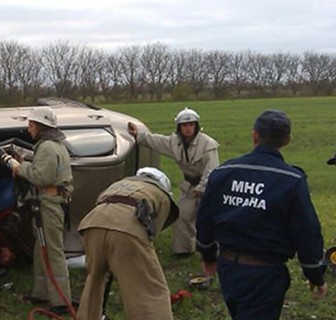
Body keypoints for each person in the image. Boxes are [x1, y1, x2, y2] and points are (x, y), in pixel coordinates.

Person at [196, 109, 328, 320]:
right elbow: (307, 231)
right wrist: (314, 273)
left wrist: (207, 255)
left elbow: (204, 218)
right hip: (266, 275)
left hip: (229, 269)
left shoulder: (222, 172)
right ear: (287, 140)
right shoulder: (291, 180)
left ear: (254, 135)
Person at [77, 167, 179, 320]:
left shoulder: (118, 184)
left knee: (94, 281)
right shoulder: (160, 195)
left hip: (93, 224)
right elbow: (151, 232)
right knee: (150, 290)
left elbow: (100, 204)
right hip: (127, 229)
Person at [0, 107, 74, 315]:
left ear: (41, 127)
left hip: (51, 204)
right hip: (48, 202)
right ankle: (42, 294)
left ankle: (61, 301)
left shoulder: (49, 148)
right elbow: (44, 169)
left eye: (31, 124)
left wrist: (16, 166)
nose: (29, 128)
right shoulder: (51, 147)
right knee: (40, 251)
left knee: (53, 252)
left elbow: (42, 177)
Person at [128, 107, 219, 257]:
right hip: (189, 186)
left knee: (210, 219)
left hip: (209, 187)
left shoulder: (208, 145)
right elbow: (157, 141)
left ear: (196, 126)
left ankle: (214, 251)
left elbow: (212, 170)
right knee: (182, 215)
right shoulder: (174, 143)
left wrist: (202, 188)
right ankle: (184, 251)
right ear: (179, 127)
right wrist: (138, 135)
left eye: (191, 125)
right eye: (184, 125)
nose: (188, 128)